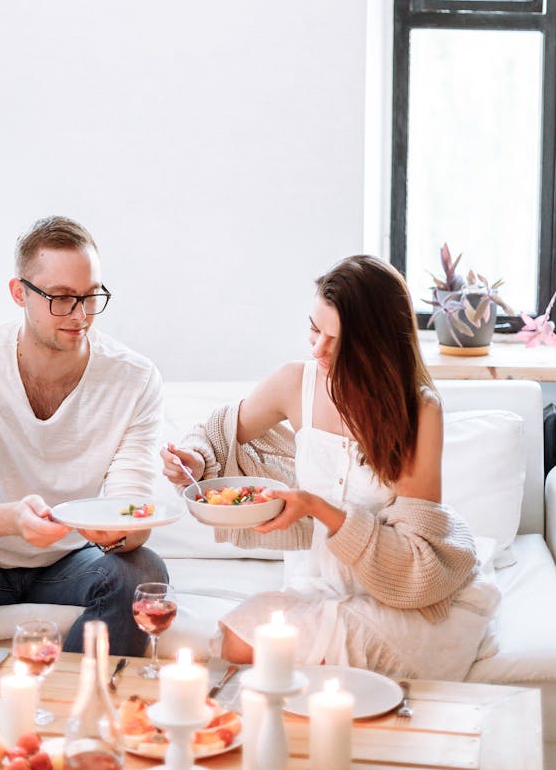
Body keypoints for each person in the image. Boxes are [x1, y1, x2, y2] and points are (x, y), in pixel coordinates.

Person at [161, 255, 500, 680]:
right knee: (235, 639)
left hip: (395, 601)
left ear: (375, 345)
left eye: (337, 340)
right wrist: (193, 457)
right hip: (318, 590)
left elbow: (415, 562)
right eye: (314, 329)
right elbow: (219, 432)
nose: (318, 348)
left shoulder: (420, 411)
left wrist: (318, 507)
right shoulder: (295, 382)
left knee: (279, 655)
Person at [0, 215, 167, 684]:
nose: (80, 315)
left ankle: (68, 711)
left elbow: (131, 507)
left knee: (140, 569)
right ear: (20, 293)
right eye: (61, 298)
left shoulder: (135, 378)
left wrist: (119, 530)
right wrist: (12, 519)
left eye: (90, 296)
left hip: (71, 561)